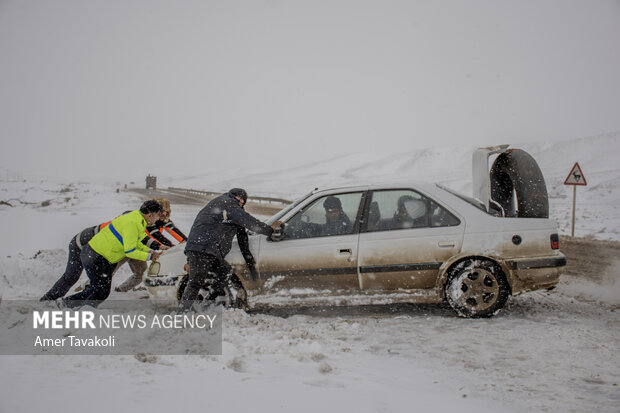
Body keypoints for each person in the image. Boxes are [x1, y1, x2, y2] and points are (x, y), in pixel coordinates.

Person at [181, 188, 282, 311]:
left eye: (243, 202)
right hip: (203, 247)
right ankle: (181, 314)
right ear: (233, 196)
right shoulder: (227, 203)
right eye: (239, 199)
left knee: (225, 270)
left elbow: (242, 239)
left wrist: (251, 265)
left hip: (209, 249)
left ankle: (208, 301)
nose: (240, 202)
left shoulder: (228, 208)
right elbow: (249, 221)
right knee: (195, 283)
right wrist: (270, 231)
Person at [61, 200, 163, 308]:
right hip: (95, 256)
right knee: (101, 292)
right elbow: (129, 251)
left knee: (96, 289)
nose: (158, 218)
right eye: (158, 215)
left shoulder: (138, 219)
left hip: (100, 257)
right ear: (149, 215)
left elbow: (135, 243)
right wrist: (150, 257)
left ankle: (66, 304)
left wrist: (149, 251)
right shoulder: (133, 223)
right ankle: (84, 313)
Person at [114, 197, 187, 292]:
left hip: (139, 248)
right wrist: (170, 247)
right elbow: (157, 236)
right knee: (108, 270)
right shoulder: (147, 219)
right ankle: (91, 287)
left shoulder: (163, 219)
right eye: (162, 211)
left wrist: (186, 243)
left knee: (141, 273)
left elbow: (176, 232)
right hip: (123, 246)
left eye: (166, 211)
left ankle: (121, 290)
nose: (164, 214)